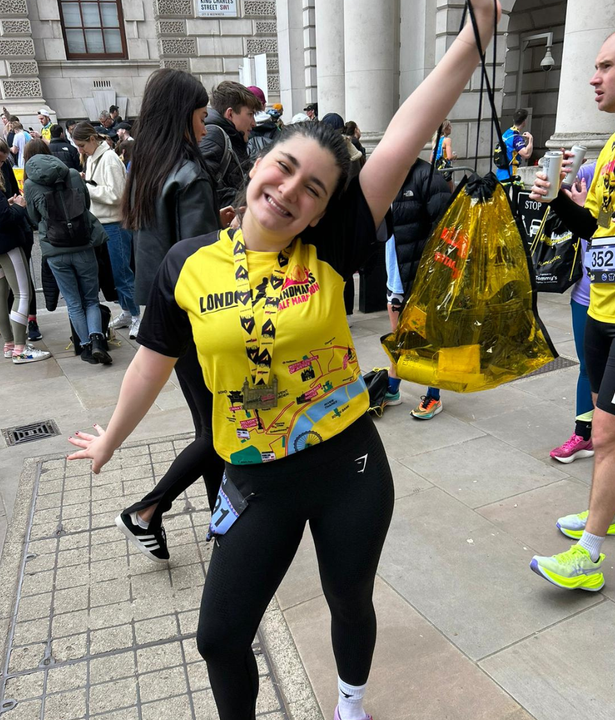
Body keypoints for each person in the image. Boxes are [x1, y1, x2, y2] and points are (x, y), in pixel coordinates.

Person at [68, 4, 501, 718]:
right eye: (285, 168)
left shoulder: (327, 251)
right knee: (218, 638)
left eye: (314, 190)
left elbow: (407, 132)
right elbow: (151, 358)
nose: (291, 191)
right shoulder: (188, 264)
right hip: (252, 478)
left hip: (349, 469)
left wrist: (471, 36)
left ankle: (352, 702)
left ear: (322, 211)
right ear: (257, 163)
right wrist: (112, 436)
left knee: (348, 600)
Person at [529, 23, 615, 589]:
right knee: (605, 429)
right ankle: (613, 510)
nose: (592, 78)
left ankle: (590, 559)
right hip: (600, 307)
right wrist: (557, 203)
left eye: (605, 66)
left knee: (609, 434)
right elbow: (591, 228)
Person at [114, 68, 227, 567]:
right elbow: (202, 263)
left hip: (162, 314)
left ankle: (220, 519)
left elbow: (163, 245)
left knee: (210, 424)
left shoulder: (149, 165)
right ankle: (147, 510)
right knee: (217, 430)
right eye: (202, 116)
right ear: (184, 115)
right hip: (195, 320)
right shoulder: (190, 170)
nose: (206, 127)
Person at [22, 139, 113, 365]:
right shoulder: (72, 173)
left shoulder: (31, 184)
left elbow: (33, 218)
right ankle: (97, 339)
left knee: (73, 301)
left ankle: (84, 346)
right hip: (82, 244)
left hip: (55, 249)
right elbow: (85, 204)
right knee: (91, 299)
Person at [384, 156, 452, 418]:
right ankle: (392, 389)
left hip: (421, 276)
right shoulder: (387, 173)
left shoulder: (426, 175)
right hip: (395, 274)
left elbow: (445, 227)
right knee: (397, 339)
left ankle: (433, 396)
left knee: (427, 340)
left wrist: (432, 275)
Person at [548, 160, 603, 463]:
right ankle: (583, 434)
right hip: (584, 293)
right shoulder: (588, 169)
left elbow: (611, 227)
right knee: (587, 366)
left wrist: (589, 212)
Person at [72, 121, 140, 339]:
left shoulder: (108, 158)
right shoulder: (94, 157)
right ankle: (129, 312)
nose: (80, 150)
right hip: (103, 223)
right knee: (113, 274)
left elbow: (117, 195)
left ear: (93, 139)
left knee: (122, 273)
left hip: (115, 223)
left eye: (82, 145)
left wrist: (88, 188)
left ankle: (137, 315)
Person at [0, 138, 49, 364]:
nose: (3, 165)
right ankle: (20, 348)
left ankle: (10, 344)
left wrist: (8, 205)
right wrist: (18, 207)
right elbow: (5, 218)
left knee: (1, 296)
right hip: (7, 243)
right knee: (22, 292)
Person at [201, 80, 263, 208]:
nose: (254, 123)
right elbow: (203, 190)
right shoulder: (213, 135)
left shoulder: (232, 138)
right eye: (250, 114)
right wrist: (247, 202)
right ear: (230, 114)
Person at [494, 108, 533, 187]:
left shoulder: (506, 134)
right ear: (524, 122)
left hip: (500, 174)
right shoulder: (516, 137)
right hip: (510, 175)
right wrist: (531, 139)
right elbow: (526, 154)